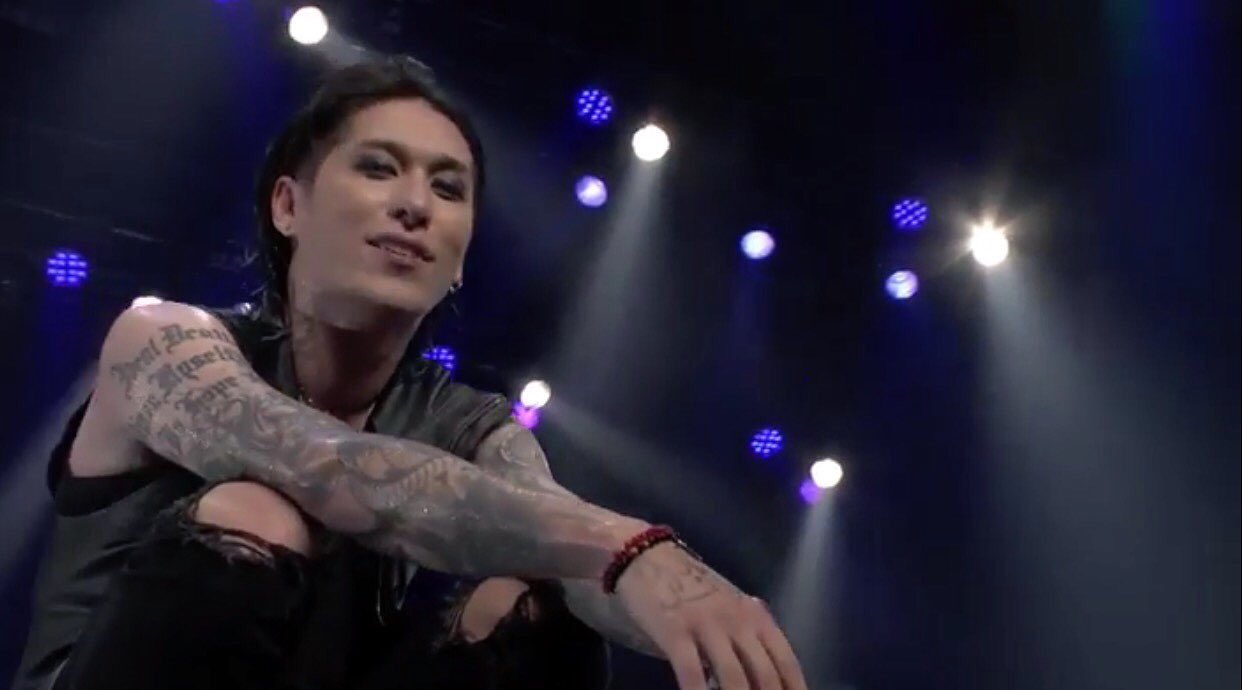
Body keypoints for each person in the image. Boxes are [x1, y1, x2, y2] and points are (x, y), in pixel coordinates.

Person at [12, 55, 807, 690]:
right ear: (288, 207)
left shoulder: (470, 425)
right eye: (378, 169)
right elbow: (326, 465)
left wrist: (699, 613)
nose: (415, 205)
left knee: (531, 598)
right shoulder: (161, 342)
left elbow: (564, 546)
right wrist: (625, 544)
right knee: (255, 512)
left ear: (460, 261)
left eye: (447, 187)